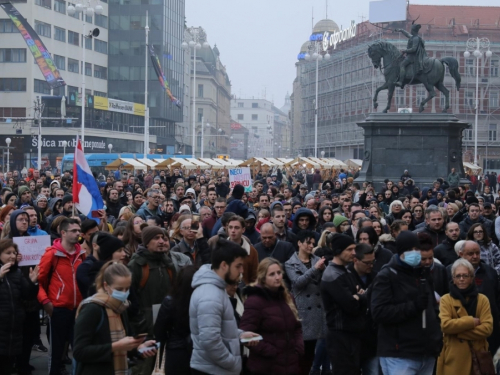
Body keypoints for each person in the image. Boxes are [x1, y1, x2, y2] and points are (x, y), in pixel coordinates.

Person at [371, 231, 442, 375]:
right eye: (410, 250)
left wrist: (436, 335)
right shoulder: (387, 275)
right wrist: (413, 306)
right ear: (400, 251)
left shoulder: (423, 273)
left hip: (426, 351)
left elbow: (432, 308)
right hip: (400, 353)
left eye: (417, 249)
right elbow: (379, 312)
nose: (414, 253)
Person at [189, 237, 260, 375]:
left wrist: (240, 334)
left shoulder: (217, 290)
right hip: (212, 370)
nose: (241, 271)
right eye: (238, 266)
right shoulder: (210, 296)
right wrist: (232, 362)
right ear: (224, 265)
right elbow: (210, 341)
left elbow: (219, 328)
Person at [73, 262, 157, 375]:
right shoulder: (92, 309)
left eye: (127, 288)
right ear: (106, 286)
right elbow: (79, 351)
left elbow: (123, 346)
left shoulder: (121, 307)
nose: (124, 293)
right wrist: (116, 346)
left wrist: (138, 348)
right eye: (119, 289)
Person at [240, 257, 304, 375]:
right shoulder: (255, 301)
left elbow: (297, 326)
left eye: (279, 273)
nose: (277, 277)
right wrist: (271, 351)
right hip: (265, 366)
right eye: (272, 274)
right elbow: (246, 335)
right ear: (263, 278)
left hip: (290, 364)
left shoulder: (287, 298)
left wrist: (298, 347)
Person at [37, 218, 85, 375]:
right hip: (58, 309)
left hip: (78, 309)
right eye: (74, 231)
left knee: (79, 348)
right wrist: (46, 302)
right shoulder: (51, 254)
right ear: (63, 233)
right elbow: (39, 282)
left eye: (79, 230)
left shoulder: (82, 254)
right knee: (56, 351)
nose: (78, 234)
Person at [127, 226, 192, 337]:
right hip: (144, 327)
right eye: (156, 238)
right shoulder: (136, 265)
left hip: (167, 323)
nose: (162, 241)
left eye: (163, 238)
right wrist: (140, 324)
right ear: (147, 242)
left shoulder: (168, 263)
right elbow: (131, 300)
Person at [437, 259, 493, 375]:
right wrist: (471, 321)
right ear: (453, 279)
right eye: (458, 276)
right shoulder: (446, 300)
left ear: (471, 278)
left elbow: (487, 328)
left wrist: (458, 332)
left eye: (465, 275)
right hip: (454, 358)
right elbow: (446, 325)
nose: (461, 279)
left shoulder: (482, 299)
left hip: (479, 357)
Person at [321, 234, 366, 374]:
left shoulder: (346, 271)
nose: (354, 253)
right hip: (340, 335)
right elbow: (351, 305)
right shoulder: (332, 275)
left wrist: (358, 297)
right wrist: (359, 297)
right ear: (338, 251)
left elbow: (361, 296)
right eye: (349, 249)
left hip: (351, 333)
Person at [285, 230, 327, 374]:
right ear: (299, 243)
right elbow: (297, 283)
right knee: (302, 353)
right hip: (303, 311)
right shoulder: (291, 263)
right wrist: (315, 269)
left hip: (318, 310)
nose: (311, 246)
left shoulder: (317, 259)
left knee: (312, 354)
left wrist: (321, 269)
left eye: (312, 243)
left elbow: (325, 281)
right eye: (308, 243)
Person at [0, 239, 39, 375]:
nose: (12, 256)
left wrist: (33, 282)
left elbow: (27, 295)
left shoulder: (16, 273)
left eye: (14, 253)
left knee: (9, 364)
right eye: (8, 253)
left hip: (14, 326)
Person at [154, 265, 197, 375]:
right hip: (198, 351)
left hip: (175, 351)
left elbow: (159, 331)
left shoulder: (170, 301)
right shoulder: (202, 302)